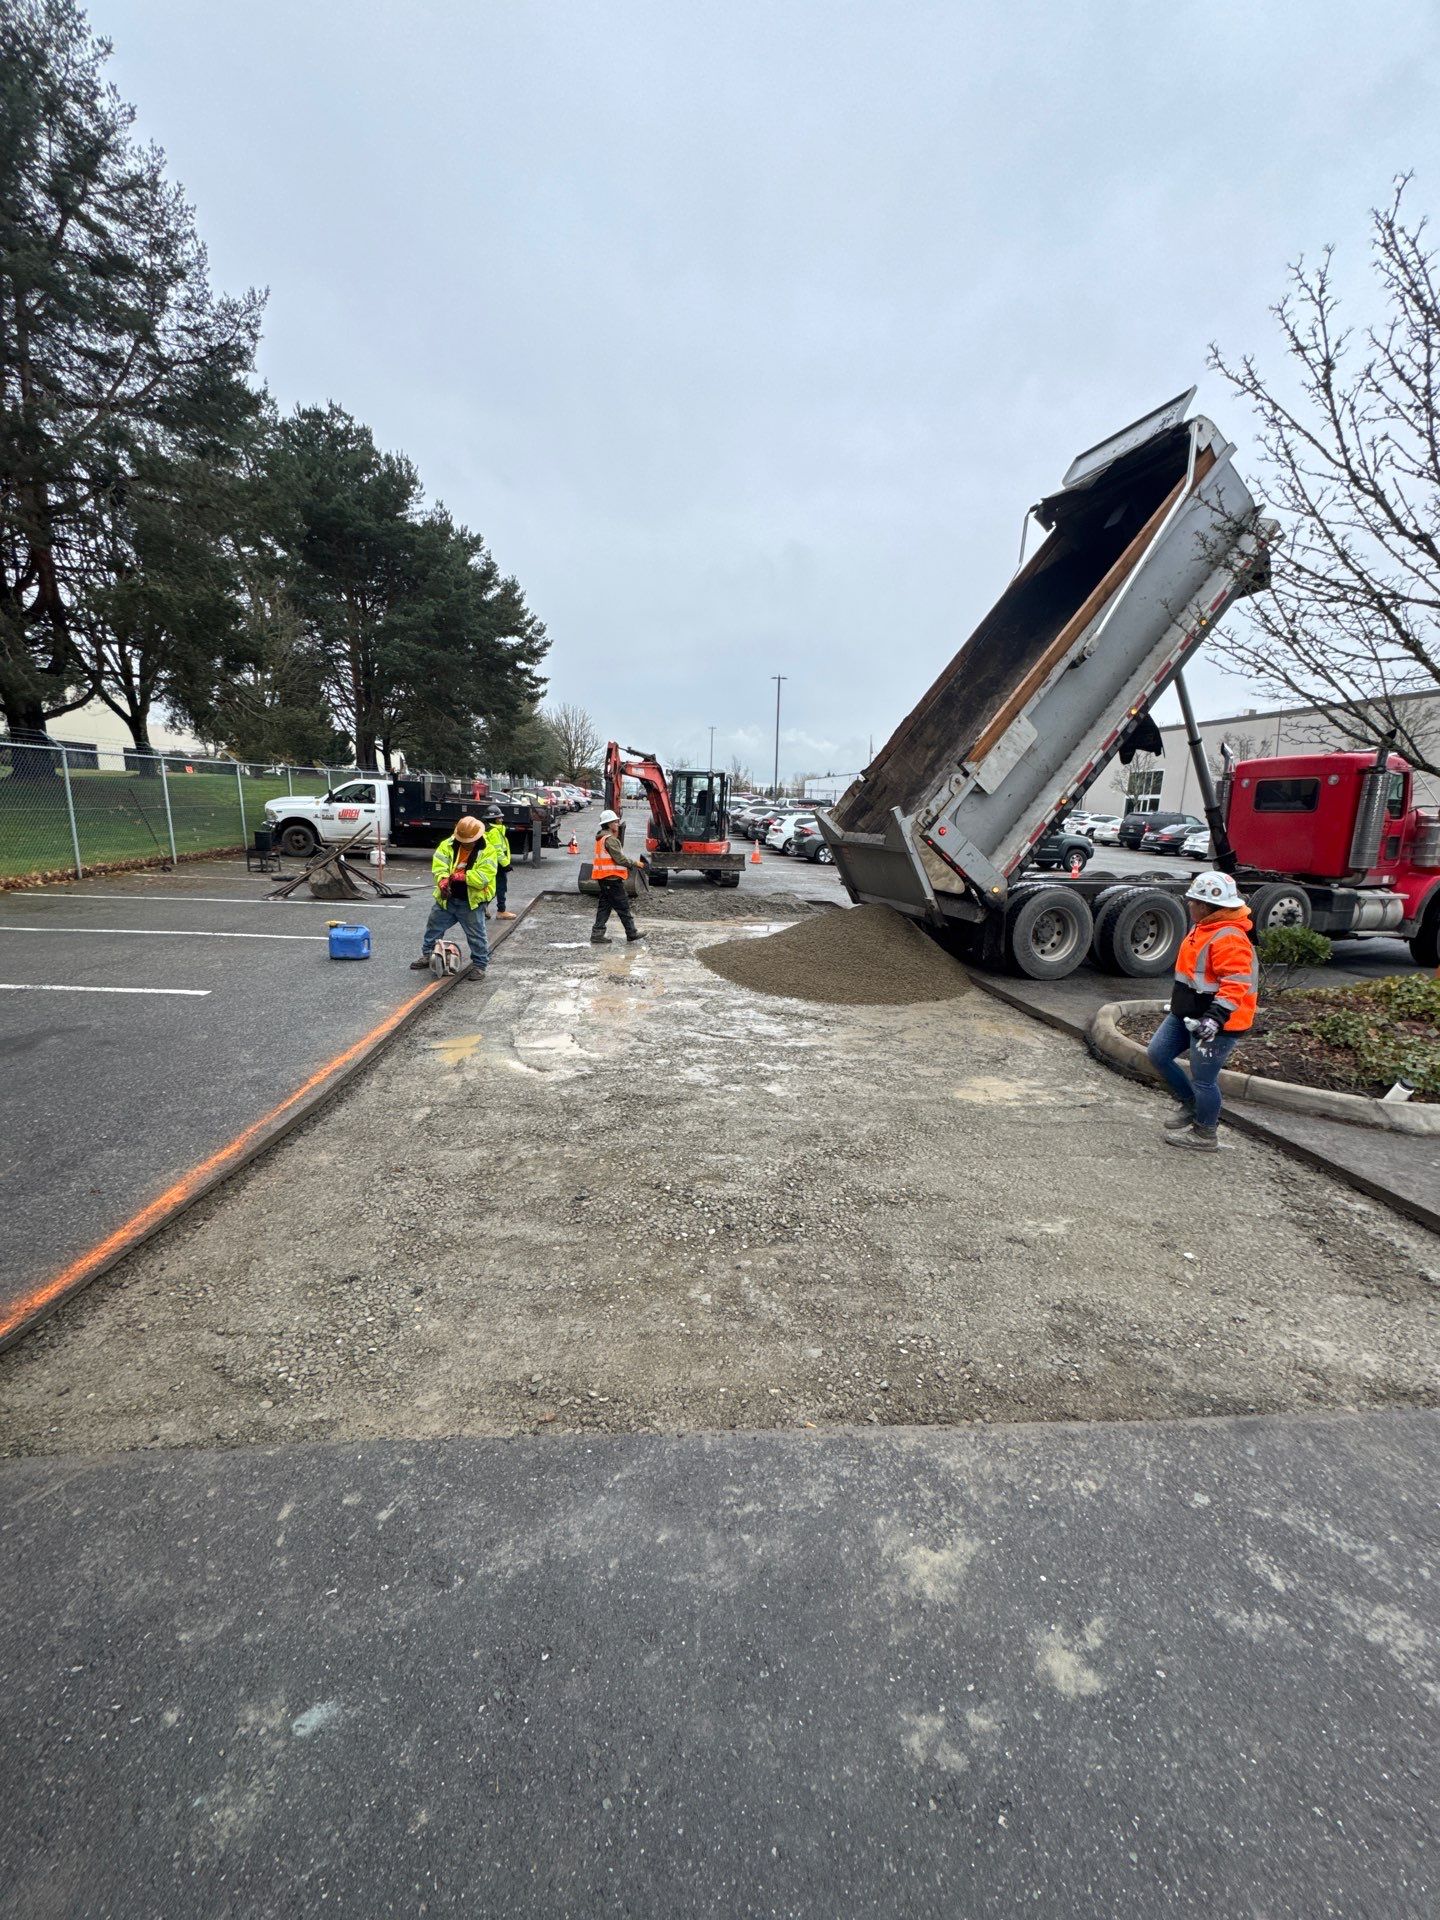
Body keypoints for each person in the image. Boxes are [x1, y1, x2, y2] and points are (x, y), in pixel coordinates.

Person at [1146, 870, 1258, 1152]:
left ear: (1207, 907)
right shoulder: (1206, 925)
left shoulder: (1229, 937)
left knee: (1204, 1079)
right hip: (1189, 1013)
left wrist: (1215, 1019)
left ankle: (1205, 1133)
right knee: (1158, 1053)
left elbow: (1235, 985)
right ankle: (1191, 1104)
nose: (1189, 904)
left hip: (1215, 1021)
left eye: (1193, 901)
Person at [410, 814, 497, 980]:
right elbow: (439, 865)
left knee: (476, 936)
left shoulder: (488, 851)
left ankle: (480, 965)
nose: (466, 843)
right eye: (463, 840)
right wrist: (443, 880)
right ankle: (428, 954)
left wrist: (463, 876)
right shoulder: (448, 845)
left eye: (468, 841)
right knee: (434, 926)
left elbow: (484, 877)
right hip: (448, 898)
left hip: (471, 901)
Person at [591, 808, 647, 946]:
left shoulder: (601, 838)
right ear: (609, 824)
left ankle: (597, 934)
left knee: (604, 906)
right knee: (623, 907)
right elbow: (620, 859)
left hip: (604, 879)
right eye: (615, 822)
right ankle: (631, 933)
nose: (617, 824)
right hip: (612, 879)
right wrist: (636, 864)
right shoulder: (610, 840)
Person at [481, 803, 515, 920]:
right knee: (500, 887)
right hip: (498, 864)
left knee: (493, 887)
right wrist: (506, 864)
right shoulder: (494, 832)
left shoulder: (488, 829)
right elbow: (498, 850)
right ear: (494, 819)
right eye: (499, 817)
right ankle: (501, 911)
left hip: (493, 863)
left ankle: (483, 908)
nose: (502, 819)